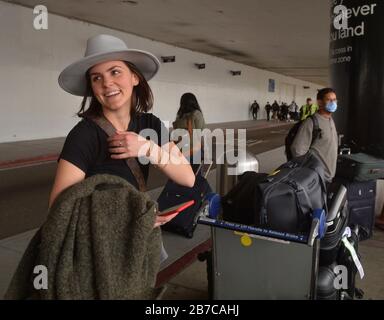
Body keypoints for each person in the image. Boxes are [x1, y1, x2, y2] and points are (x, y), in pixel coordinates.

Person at [51, 34, 195, 229]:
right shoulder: (84, 135)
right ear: (92, 88)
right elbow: (60, 208)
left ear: (135, 77)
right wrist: (129, 221)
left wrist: (146, 148)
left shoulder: (150, 124)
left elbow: (187, 178)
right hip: (100, 249)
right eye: (97, 78)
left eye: (115, 72)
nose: (107, 83)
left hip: (137, 239)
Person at [290, 88, 339, 183]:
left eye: (335, 100)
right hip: (316, 178)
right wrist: (309, 175)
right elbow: (297, 150)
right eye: (329, 100)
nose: (333, 103)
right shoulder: (311, 122)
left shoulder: (331, 120)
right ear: (320, 102)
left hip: (329, 176)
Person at [172, 93, 206, 172]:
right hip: (194, 151)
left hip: (182, 151)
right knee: (196, 177)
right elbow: (199, 135)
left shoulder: (179, 116)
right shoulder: (196, 114)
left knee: (183, 176)